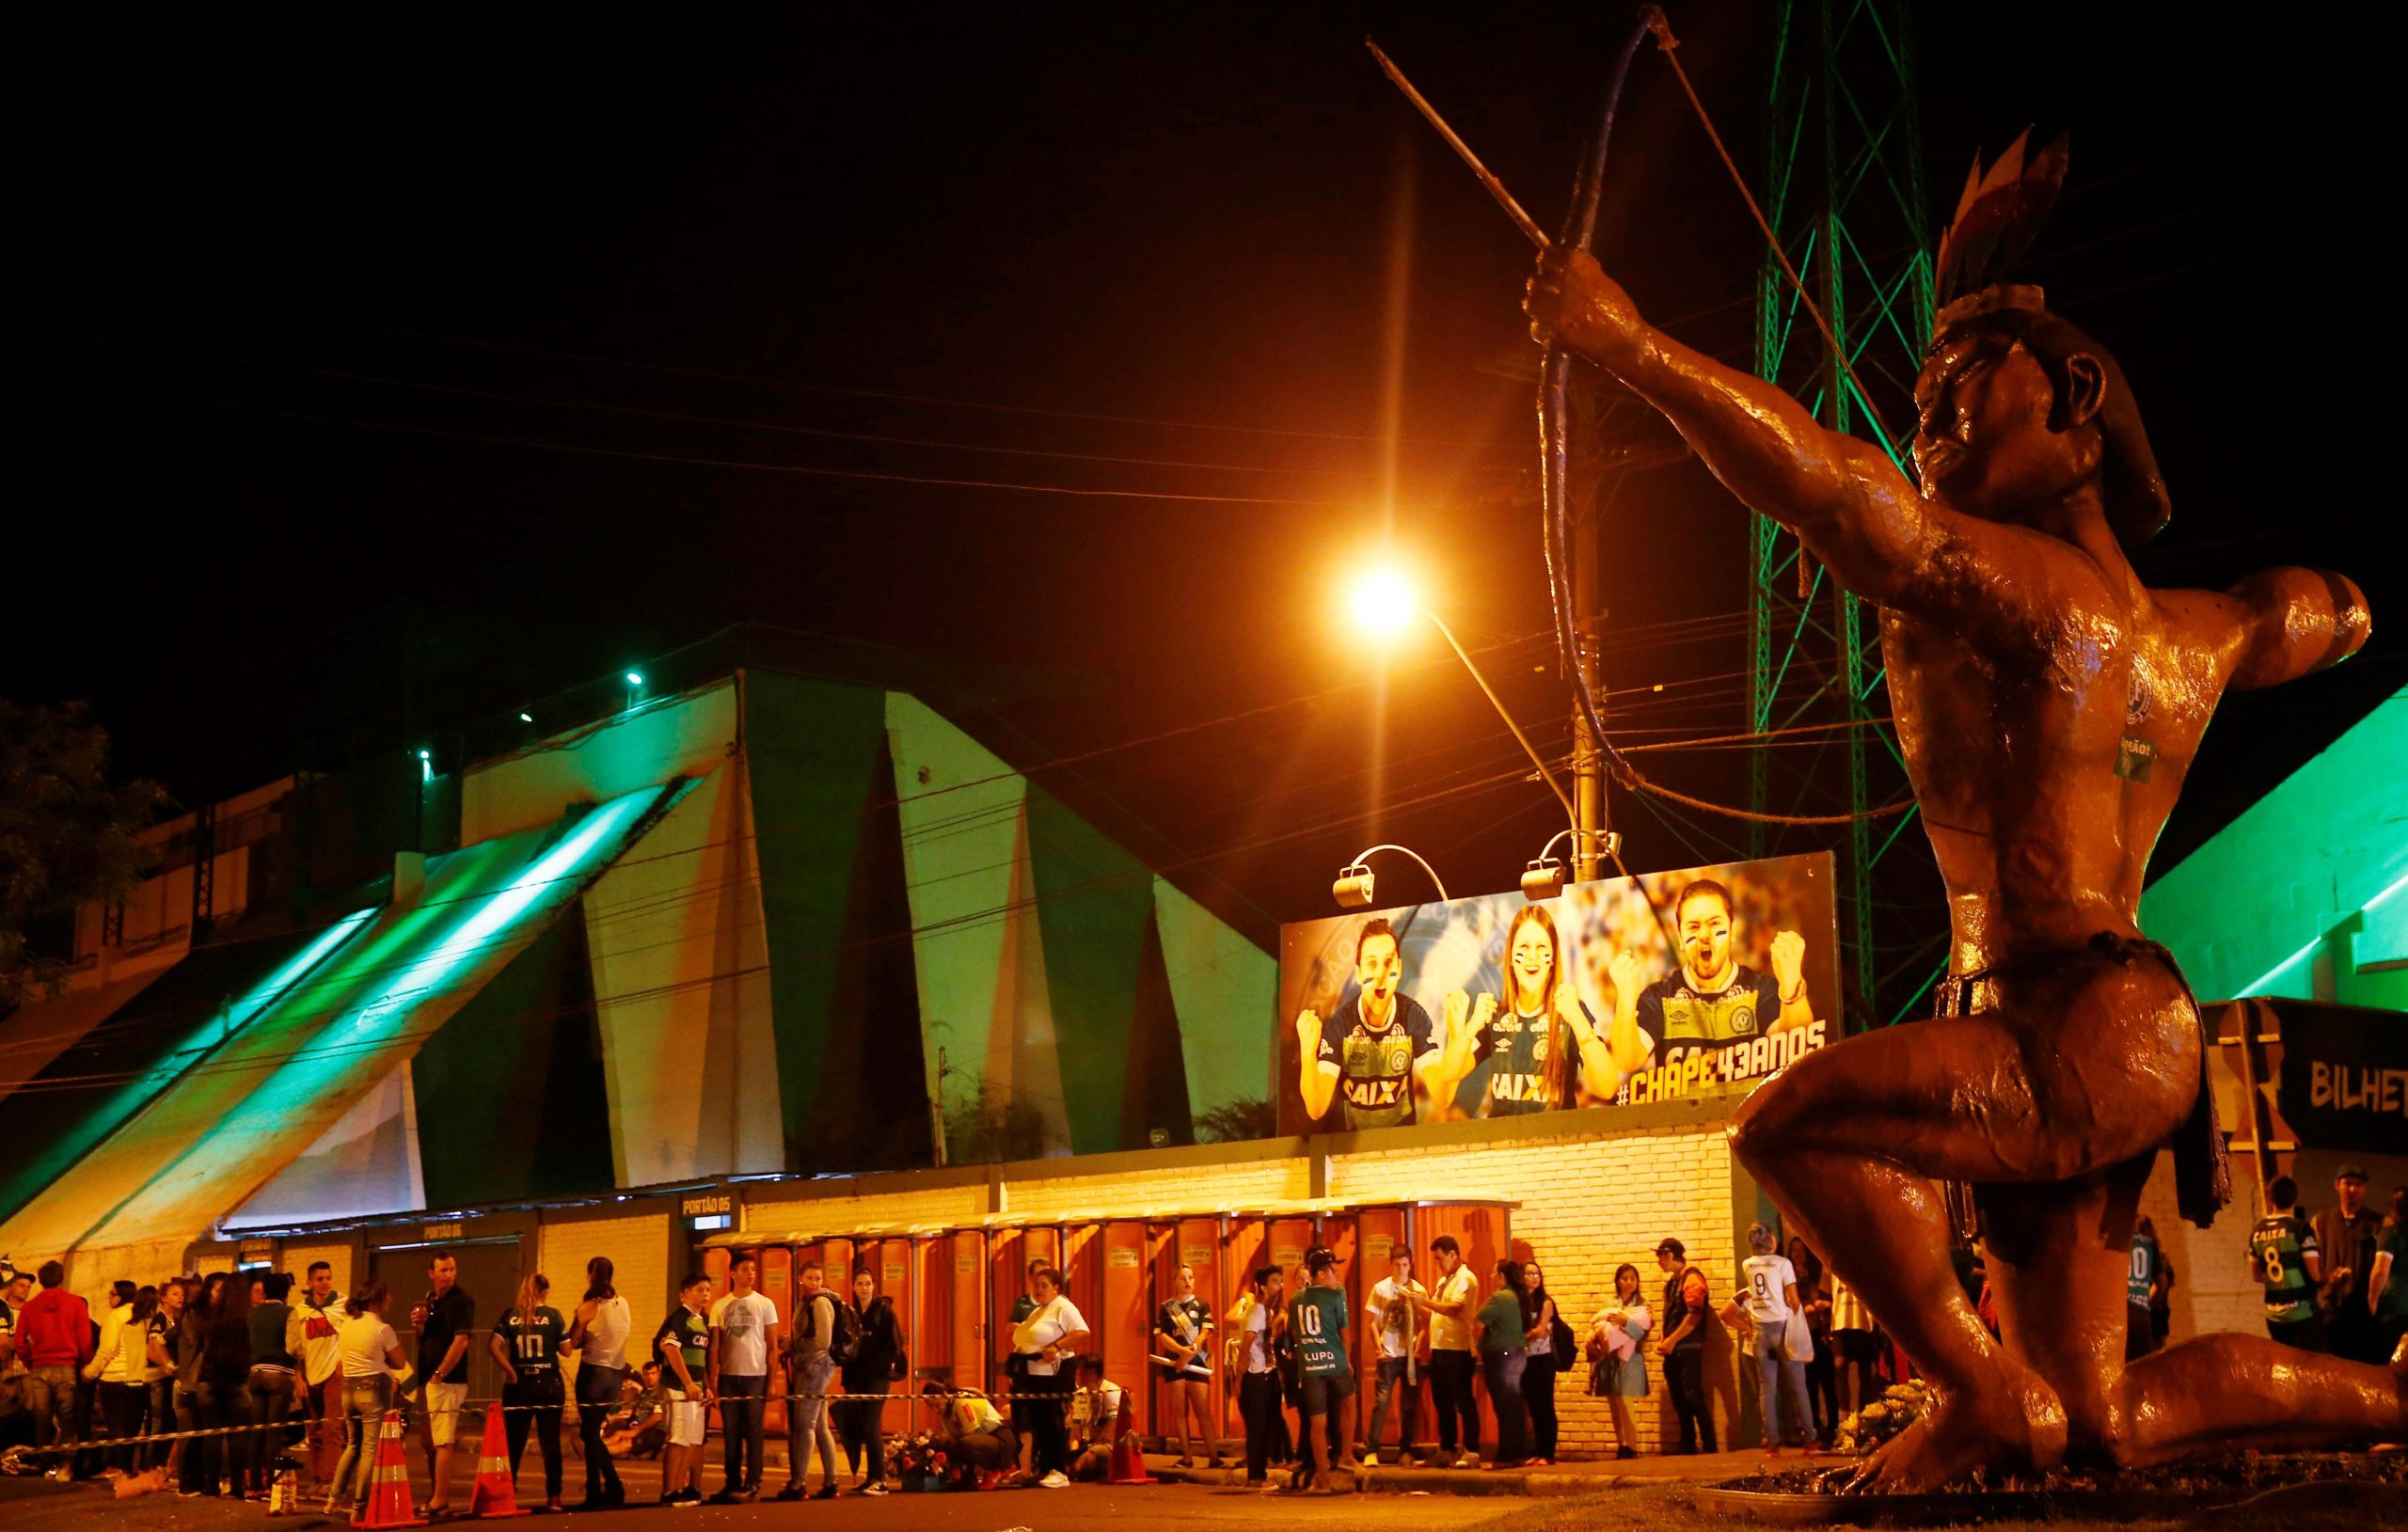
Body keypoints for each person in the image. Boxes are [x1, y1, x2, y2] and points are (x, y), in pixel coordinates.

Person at [1527, 183, 2385, 1486]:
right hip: (2123, 1021)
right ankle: (2389, 1397)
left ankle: (1979, 1394)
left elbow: (1836, 491)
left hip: (2069, 1027)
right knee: (2100, 1415)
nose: (1928, 416)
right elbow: (2318, 614)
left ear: (2079, 400)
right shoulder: (2194, 629)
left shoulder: (2031, 589)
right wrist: (2342, 608)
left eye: (1968, 381)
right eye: (1927, 394)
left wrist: (1630, 348)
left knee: (1789, 1129)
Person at [1606, 881, 1812, 1092]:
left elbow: (1799, 1050)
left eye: (1714, 924)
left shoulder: (1761, 989)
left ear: (1732, 931)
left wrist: (1791, 986)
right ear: (1680, 939)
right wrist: (1625, 1001)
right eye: (1693, 927)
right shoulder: (1659, 997)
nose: (1704, 936)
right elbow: (1627, 1061)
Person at [1295, 918, 1478, 1129]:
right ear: (1358, 973)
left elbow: (1443, 1096)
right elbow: (1316, 1108)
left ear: (1399, 969)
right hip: (1353, 1151)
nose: (1381, 974)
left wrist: (1456, 1033)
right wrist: (1308, 1052)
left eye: (1388, 962)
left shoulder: (1413, 1016)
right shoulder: (1341, 1024)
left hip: (1400, 1149)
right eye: (1372, 964)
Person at [1464, 904, 1622, 1114]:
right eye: (1524, 947)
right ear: (1510, 956)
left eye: (1541, 948)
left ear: (1553, 958)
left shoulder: (1571, 1012)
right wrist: (1462, 1027)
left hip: (1556, 1144)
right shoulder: (1494, 1015)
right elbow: (1448, 1077)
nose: (1532, 956)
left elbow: (1608, 1087)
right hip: (1503, 1145)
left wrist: (1577, 1021)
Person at [1725, 1223, 1816, 1454]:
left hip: (1759, 1330)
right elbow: (1794, 1301)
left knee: (1767, 1389)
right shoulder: (1783, 1264)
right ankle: (1810, 1439)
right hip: (1782, 1327)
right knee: (1799, 1387)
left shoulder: (1747, 1264)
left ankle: (1772, 1443)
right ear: (1772, 1240)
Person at [326, 1281, 414, 1518]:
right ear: (378, 1300)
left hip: (349, 1389)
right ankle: (359, 1507)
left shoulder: (347, 1325)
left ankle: (333, 1500)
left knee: (353, 1446)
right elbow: (400, 1362)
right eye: (388, 1296)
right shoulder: (381, 1328)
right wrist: (382, 1359)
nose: (391, 1300)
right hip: (374, 1388)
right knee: (369, 1449)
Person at [490, 1272, 567, 1512]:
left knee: (514, 1442)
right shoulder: (553, 1316)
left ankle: (508, 1491)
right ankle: (554, 1497)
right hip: (548, 1382)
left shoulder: (511, 1315)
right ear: (545, 1291)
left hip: (519, 1383)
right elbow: (566, 1350)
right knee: (550, 1442)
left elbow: (494, 1346)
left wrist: (510, 1371)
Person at [706, 1254, 779, 1503]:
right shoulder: (720, 1305)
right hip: (729, 1377)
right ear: (733, 1273)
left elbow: (772, 1346)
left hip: (755, 1376)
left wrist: (771, 1381)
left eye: (753, 1269)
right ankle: (732, 1482)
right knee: (731, 1432)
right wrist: (712, 1382)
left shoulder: (765, 1304)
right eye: (745, 1269)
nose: (750, 1273)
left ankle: (753, 1482)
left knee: (754, 1432)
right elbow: (714, 1346)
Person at [1406, 1234, 1481, 1468]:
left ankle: (1472, 1449)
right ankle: (1447, 1449)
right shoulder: (1443, 1281)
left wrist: (1424, 1302)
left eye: (1440, 1259)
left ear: (1453, 1254)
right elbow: (1437, 1313)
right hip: (1439, 1348)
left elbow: (1454, 1309)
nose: (1438, 1263)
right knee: (1442, 1400)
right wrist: (1415, 1305)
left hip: (1457, 1348)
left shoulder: (1465, 1278)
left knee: (1463, 1400)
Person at [1010, 1266, 1088, 1489]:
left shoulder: (1063, 1307)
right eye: (1036, 1285)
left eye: (1045, 1285)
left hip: (1053, 1374)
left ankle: (1059, 1471)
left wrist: (1056, 1346)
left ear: (1056, 1288)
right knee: (1038, 1423)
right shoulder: (1039, 1310)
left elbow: (1082, 1332)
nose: (1039, 1289)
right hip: (1033, 1375)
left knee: (1053, 1422)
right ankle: (1044, 1468)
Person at [409, 1250, 473, 1517]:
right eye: (443, 1270)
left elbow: (461, 1341)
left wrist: (440, 1374)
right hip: (427, 1380)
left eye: (452, 1269)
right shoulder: (431, 1299)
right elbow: (426, 1340)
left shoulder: (462, 1301)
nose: (448, 1274)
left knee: (443, 1440)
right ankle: (437, 1493)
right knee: (428, 1440)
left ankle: (440, 1500)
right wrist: (419, 1326)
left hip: (446, 1380)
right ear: (432, 1273)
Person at [565, 1255, 631, 1510]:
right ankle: (609, 1487)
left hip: (594, 1372)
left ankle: (603, 1488)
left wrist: (578, 1322)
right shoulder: (622, 1303)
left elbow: (572, 1341)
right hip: (615, 1374)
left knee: (589, 1434)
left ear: (590, 1276)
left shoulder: (588, 1306)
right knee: (590, 1433)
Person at [17, 1259, 92, 1479]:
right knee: (67, 1417)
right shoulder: (75, 1303)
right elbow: (85, 1339)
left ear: (40, 1280)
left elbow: (20, 1342)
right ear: (61, 1278)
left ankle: (47, 1465)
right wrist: (84, 1360)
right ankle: (66, 1466)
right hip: (66, 1366)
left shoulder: (29, 1307)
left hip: (40, 1368)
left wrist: (30, 1361)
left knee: (42, 1418)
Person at [1287, 1248, 1354, 1493]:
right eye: (1333, 1272)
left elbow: (1295, 1333)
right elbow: (1345, 1333)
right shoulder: (1337, 1295)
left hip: (1311, 1367)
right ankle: (1346, 1455)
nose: (1337, 1277)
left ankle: (1322, 1479)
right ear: (1321, 1275)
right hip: (1335, 1362)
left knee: (1317, 1423)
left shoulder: (1295, 1300)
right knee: (1349, 1402)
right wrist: (1346, 1360)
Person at [774, 1259, 840, 1501]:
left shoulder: (820, 1302)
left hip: (815, 1367)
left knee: (805, 1426)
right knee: (820, 1426)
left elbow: (823, 1341)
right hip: (813, 1365)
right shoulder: (807, 1302)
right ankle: (831, 1482)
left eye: (818, 1278)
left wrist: (793, 1344)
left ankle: (798, 1483)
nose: (814, 1282)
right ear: (801, 1279)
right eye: (810, 1278)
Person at [837, 1261, 902, 1496]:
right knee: (863, 1427)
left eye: (868, 1284)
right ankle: (869, 1477)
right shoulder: (850, 1313)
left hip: (877, 1377)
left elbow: (895, 1344)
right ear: (853, 1287)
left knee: (872, 1426)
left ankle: (880, 1479)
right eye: (860, 1284)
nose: (864, 1288)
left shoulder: (883, 1311)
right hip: (856, 1377)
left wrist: (880, 1367)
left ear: (874, 1286)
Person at [1358, 1245, 1426, 1467]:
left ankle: (1405, 1449)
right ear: (1391, 1264)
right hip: (1388, 1353)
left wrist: (1417, 1349)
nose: (1400, 1269)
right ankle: (1372, 1449)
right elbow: (1373, 1321)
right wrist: (1378, 1347)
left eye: (1404, 1264)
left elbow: (1425, 1323)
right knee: (1382, 1402)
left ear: (1410, 1264)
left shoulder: (1418, 1290)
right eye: (1397, 1264)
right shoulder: (1381, 1288)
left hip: (1409, 1355)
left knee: (1409, 1405)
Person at [651, 1273, 713, 1508]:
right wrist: (687, 1381)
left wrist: (705, 1386)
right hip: (678, 1388)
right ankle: (669, 1490)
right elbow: (671, 1349)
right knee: (678, 1438)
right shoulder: (679, 1318)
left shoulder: (702, 1321)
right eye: (699, 1289)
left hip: (696, 1390)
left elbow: (702, 1358)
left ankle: (682, 1487)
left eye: (708, 1289)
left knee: (693, 1440)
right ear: (685, 1294)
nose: (705, 1294)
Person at [2316, 1165, 2387, 1365]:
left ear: (2366, 1189)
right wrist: (2329, 1278)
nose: (2352, 1190)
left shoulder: (2378, 1223)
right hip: (2332, 1306)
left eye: (2358, 1185)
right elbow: (2313, 1261)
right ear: (2337, 1185)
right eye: (2347, 1183)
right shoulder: (2322, 1221)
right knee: (2334, 1366)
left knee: (2366, 1367)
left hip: (2364, 1310)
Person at [2251, 1175, 2325, 1351]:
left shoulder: (2257, 1231)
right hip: (2302, 1313)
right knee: (2309, 1369)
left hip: (2274, 1317)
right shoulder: (2300, 1229)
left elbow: (2256, 1275)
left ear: (2270, 1197)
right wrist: (2331, 1277)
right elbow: (2315, 1275)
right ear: (2296, 1197)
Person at [1655, 1240, 1716, 1455]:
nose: (1658, 1262)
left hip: (1688, 1348)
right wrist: (1664, 1339)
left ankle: (1709, 1444)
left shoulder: (1691, 1279)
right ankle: (1687, 1443)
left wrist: (1672, 1340)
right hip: (1673, 1349)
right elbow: (1670, 1315)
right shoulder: (1672, 1283)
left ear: (1670, 1256)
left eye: (1660, 1256)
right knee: (1679, 1397)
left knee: (1692, 1395)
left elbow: (1694, 1315)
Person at [288, 1262, 344, 1493]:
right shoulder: (300, 1312)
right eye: (320, 1279)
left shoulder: (343, 1305)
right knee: (314, 1430)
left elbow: (353, 1335)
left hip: (334, 1373)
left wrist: (344, 1363)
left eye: (328, 1278)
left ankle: (331, 1480)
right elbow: (296, 1348)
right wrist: (298, 1377)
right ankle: (318, 1477)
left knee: (332, 1428)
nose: (325, 1282)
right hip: (311, 1375)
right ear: (309, 1282)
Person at [1155, 1262, 1218, 1468]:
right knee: (1180, 1411)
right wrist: (1180, 1352)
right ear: (1175, 1282)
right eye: (1183, 1278)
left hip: (1197, 1362)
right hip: (1174, 1363)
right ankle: (1187, 1457)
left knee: (1203, 1410)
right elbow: (1163, 1336)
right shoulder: (1166, 1307)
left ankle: (1214, 1457)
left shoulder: (1202, 1305)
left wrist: (1188, 1354)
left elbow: (1205, 1332)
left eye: (1190, 1277)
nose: (1187, 1281)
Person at [198, 1272, 257, 1497]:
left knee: (212, 1436)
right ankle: (237, 1486)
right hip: (237, 1382)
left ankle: (211, 1484)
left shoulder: (212, 1318)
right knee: (238, 1437)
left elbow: (206, 1349)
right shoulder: (249, 1318)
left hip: (209, 1381)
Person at [1588, 1263, 1652, 1460]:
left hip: (1630, 1358)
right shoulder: (1611, 1303)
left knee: (1626, 1401)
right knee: (1614, 1403)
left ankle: (1632, 1445)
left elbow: (1642, 1334)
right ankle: (1621, 1444)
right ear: (1617, 1281)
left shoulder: (1643, 1304)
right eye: (1625, 1278)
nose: (1629, 1282)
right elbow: (1598, 1324)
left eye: (1633, 1278)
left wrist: (1625, 1322)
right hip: (1608, 1358)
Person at [1228, 1265, 1284, 1486]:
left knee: (1267, 1424)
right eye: (1274, 1281)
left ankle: (1262, 1472)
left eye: (1280, 1281)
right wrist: (1239, 1382)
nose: (1280, 1286)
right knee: (1257, 1427)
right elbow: (1246, 1347)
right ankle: (1256, 1476)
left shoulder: (1266, 1312)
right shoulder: (1257, 1311)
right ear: (1261, 1287)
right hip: (1254, 1375)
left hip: (1265, 1374)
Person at [84, 1282, 148, 1475]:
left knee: (116, 1425)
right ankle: (128, 1467)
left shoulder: (116, 1316)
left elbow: (106, 1350)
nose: (109, 1298)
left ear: (121, 1296)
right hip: (138, 1378)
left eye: (112, 1294)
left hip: (115, 1379)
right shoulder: (145, 1315)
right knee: (132, 1426)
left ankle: (116, 1467)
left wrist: (90, 1372)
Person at [1472, 1258, 1529, 1469]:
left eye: (1495, 1273)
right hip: (1518, 1354)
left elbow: (1478, 1320)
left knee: (1504, 1406)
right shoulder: (1518, 1297)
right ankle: (1518, 1453)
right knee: (1515, 1405)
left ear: (1502, 1276)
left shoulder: (1500, 1297)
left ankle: (1505, 1456)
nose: (1493, 1276)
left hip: (1501, 1355)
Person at [244, 1271, 296, 1496]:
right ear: (286, 1292)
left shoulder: (252, 1314)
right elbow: (294, 1347)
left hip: (255, 1374)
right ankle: (271, 1484)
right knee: (274, 1432)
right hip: (279, 1374)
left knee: (257, 1430)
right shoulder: (289, 1313)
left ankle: (254, 1484)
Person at [920, 1382, 1017, 1477]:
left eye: (937, 1405)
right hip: (985, 1438)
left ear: (945, 1394)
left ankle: (999, 1468)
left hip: (1001, 1437)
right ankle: (967, 1476)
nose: (936, 1410)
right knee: (948, 1444)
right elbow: (954, 1441)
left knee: (964, 1444)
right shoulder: (945, 1413)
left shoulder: (961, 1402)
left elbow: (968, 1437)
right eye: (932, 1408)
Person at [1519, 1260, 1561, 1465]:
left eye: (1537, 1274)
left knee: (1545, 1404)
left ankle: (1548, 1453)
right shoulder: (1520, 1302)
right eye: (1529, 1273)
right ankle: (1536, 1450)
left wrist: (1518, 1337)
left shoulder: (1545, 1302)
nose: (1534, 1277)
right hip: (1526, 1359)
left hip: (1543, 1359)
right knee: (1533, 1406)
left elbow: (1540, 1331)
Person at [141, 1278, 183, 1473]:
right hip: (158, 1376)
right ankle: (149, 1463)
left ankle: (162, 1462)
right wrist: (167, 1364)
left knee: (169, 1420)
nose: (180, 1297)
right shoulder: (160, 1319)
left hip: (171, 1377)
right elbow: (152, 1348)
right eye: (175, 1294)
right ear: (163, 1298)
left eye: (182, 1294)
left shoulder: (178, 1320)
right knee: (156, 1420)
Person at [2366, 1189, 2408, 1365]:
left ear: (2394, 1210)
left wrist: (2372, 1298)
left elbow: (2381, 1271)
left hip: (2395, 1309)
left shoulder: (2390, 1234)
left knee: (2390, 1363)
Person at [1068, 1356, 1127, 1478]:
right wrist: (1073, 1450)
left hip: (1111, 1444)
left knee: (1088, 1458)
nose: (1078, 1377)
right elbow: (1075, 1430)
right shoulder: (1081, 1394)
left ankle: (1072, 1471)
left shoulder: (1111, 1391)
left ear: (1092, 1373)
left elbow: (1112, 1428)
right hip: (1089, 1443)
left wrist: (1092, 1447)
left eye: (1081, 1373)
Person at [602, 1360, 668, 1459]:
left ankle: (596, 1452)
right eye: (647, 1374)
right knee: (619, 1433)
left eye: (653, 1373)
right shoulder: (644, 1392)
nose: (649, 1377)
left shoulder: (662, 1391)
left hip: (656, 1430)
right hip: (639, 1427)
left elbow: (658, 1416)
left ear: (659, 1374)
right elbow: (635, 1411)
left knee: (627, 1442)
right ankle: (595, 1447)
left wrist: (636, 1430)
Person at [2125, 1216, 2163, 1361]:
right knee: (2140, 1363)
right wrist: (2147, 1299)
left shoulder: (2120, 1241)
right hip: (2141, 1311)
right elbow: (2161, 1282)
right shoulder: (2150, 1245)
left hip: (2121, 1309)